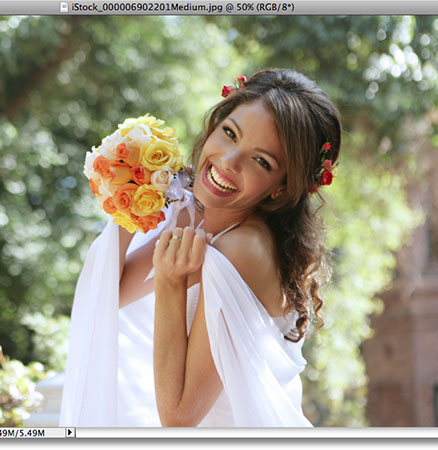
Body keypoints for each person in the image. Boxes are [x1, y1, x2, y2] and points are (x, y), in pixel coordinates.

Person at [59, 68, 342, 427]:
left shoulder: (244, 248)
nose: (227, 161)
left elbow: (179, 418)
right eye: (229, 133)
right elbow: (107, 296)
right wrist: (130, 189)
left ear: (281, 188)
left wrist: (169, 282)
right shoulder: (195, 212)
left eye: (261, 161)